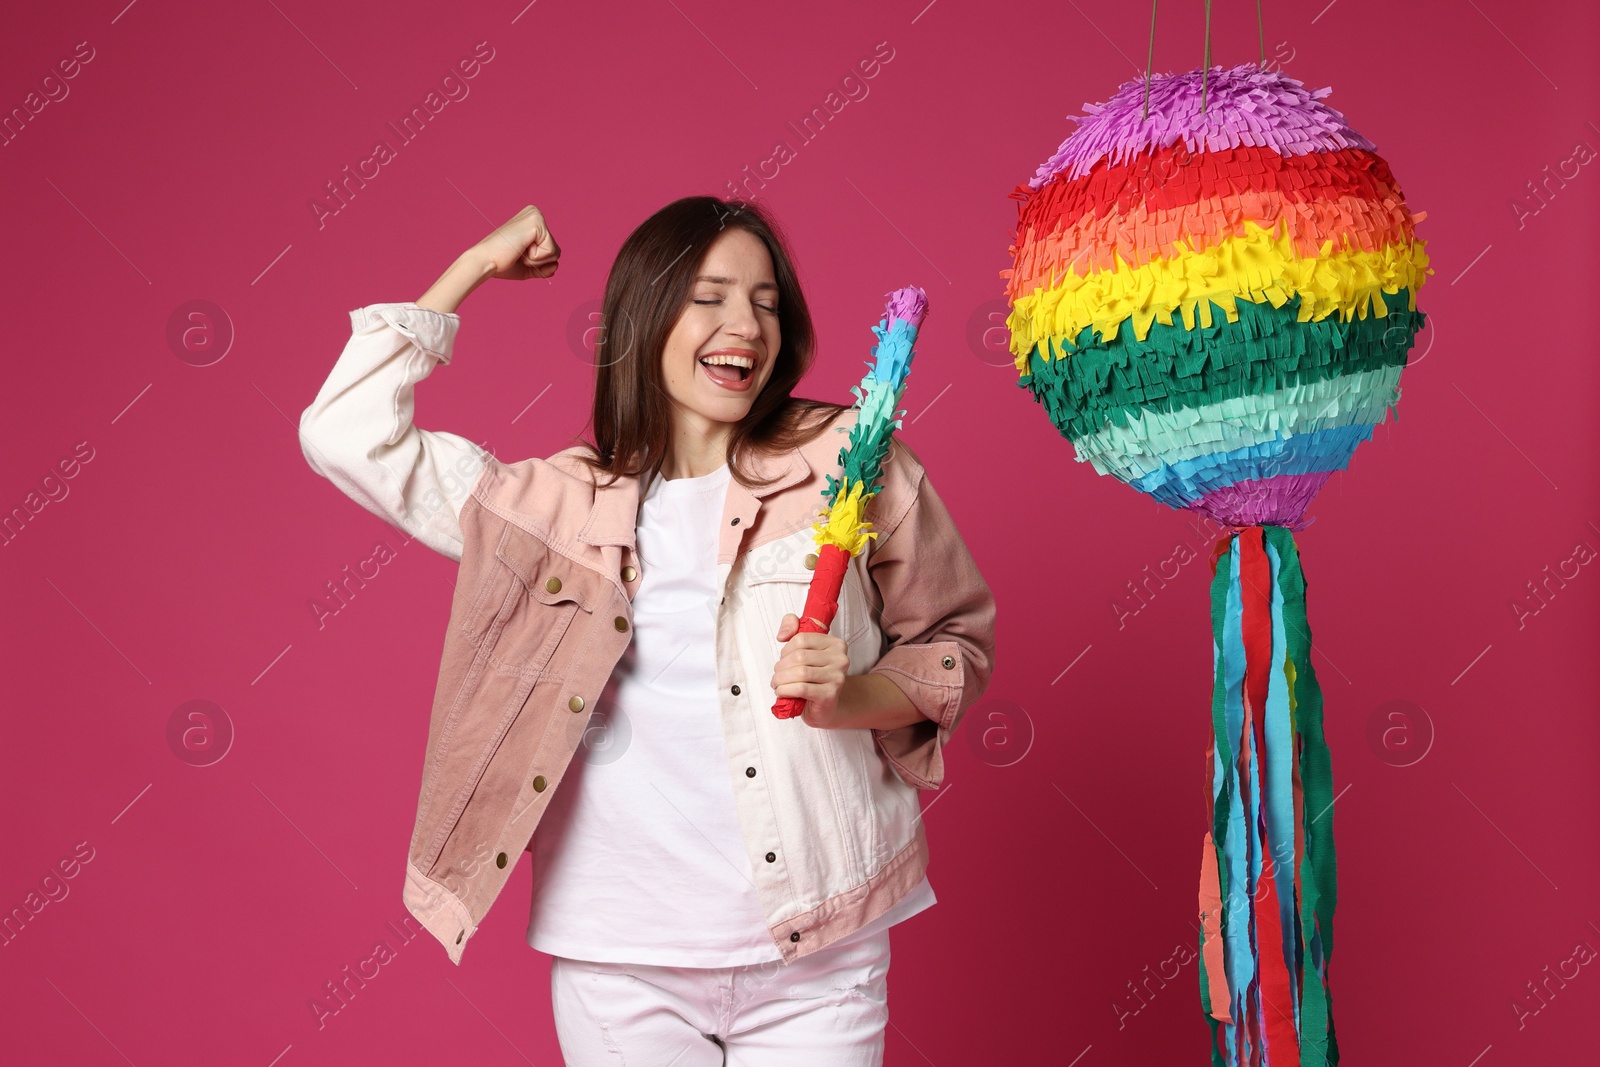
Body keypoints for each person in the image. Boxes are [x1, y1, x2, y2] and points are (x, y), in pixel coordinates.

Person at [298, 196, 996, 1065]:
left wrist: (851, 693)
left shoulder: (853, 459)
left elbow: (953, 646)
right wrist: (476, 264)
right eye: (708, 296)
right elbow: (345, 433)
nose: (744, 321)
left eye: (767, 300)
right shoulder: (549, 504)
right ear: (645, 312)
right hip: (622, 960)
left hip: (820, 947)